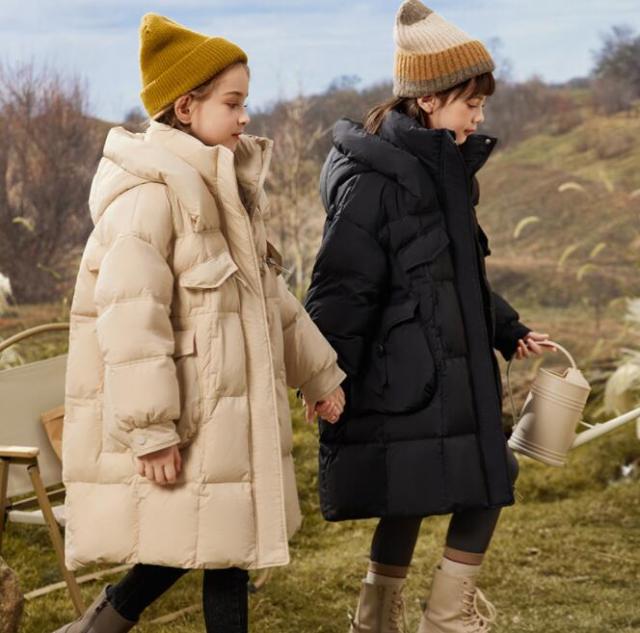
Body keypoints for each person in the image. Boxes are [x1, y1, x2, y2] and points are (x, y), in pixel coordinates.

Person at [55, 13, 345, 633]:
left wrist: (319, 375)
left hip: (225, 412)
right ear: (186, 107)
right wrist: (151, 429)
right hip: (189, 415)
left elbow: (268, 299)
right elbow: (131, 323)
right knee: (214, 546)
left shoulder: (224, 190)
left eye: (245, 104)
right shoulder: (149, 197)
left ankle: (96, 627)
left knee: (223, 547)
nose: (244, 118)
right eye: (232, 104)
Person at [304, 2, 555, 631]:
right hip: (404, 374)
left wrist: (508, 328)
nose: (479, 116)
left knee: (412, 492)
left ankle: (375, 618)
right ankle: (445, 617)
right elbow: (341, 288)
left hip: (437, 368)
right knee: (484, 471)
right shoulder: (375, 181)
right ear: (429, 98)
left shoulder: (444, 170)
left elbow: (454, 272)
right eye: (471, 102)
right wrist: (322, 376)